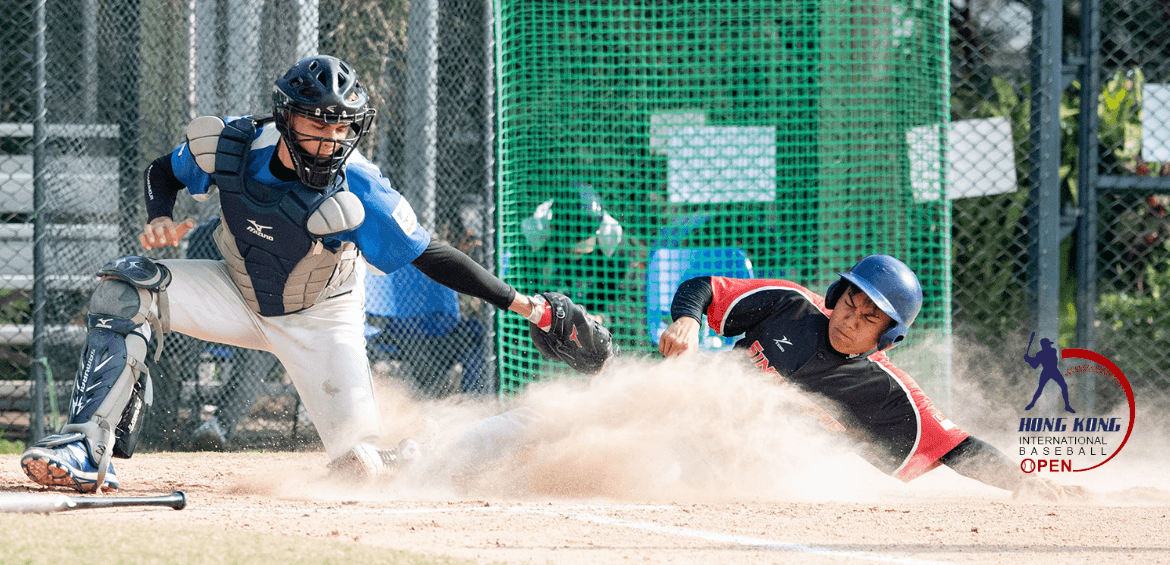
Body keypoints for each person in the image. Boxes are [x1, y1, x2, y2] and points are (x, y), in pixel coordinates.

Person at [18, 55, 567, 493]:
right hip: (235, 290)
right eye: (315, 122)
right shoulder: (234, 147)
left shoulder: (361, 183)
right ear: (285, 118)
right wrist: (160, 216)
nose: (329, 138)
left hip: (322, 319)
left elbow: (429, 252)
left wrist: (527, 305)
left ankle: (511, 431)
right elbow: (163, 170)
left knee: (367, 472)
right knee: (126, 287)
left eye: (340, 126)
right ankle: (87, 448)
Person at [453, 255, 1080, 501]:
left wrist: (1029, 485)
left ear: (886, 338)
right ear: (837, 296)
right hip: (674, 406)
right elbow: (703, 287)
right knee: (550, 420)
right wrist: (690, 323)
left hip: (715, 460)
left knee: (626, 471)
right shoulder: (793, 307)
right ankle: (420, 462)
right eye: (852, 302)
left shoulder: (884, 390)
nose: (852, 321)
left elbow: (954, 447)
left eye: (871, 320)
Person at [1023, 337, 1075, 413]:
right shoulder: (1041, 353)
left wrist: (1029, 359)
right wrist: (1028, 360)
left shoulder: (1052, 351)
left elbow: (1034, 364)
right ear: (1044, 345)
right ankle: (1032, 403)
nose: (1049, 346)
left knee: (1064, 386)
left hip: (1053, 370)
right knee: (1040, 389)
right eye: (1047, 344)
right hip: (1047, 371)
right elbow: (1035, 365)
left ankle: (1067, 406)